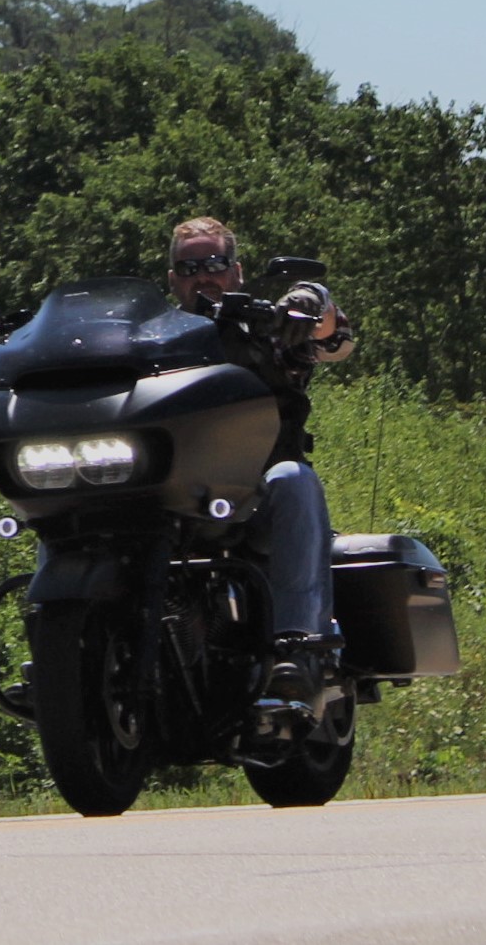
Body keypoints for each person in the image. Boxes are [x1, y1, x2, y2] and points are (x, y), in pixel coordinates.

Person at [166, 217, 354, 705]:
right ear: (172, 279)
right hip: (167, 495)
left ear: (236, 271)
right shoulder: (151, 341)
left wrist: (312, 300)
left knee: (294, 478)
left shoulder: (268, 327)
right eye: (189, 268)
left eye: (214, 264)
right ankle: (67, 660)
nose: (202, 276)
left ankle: (297, 649)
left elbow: (337, 340)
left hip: (254, 496)